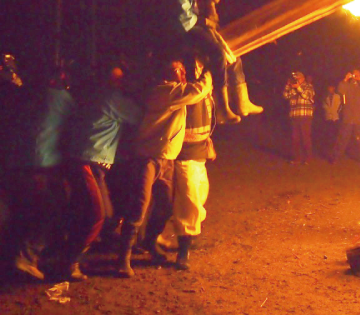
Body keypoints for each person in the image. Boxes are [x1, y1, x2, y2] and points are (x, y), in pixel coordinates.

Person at [148, 0, 261, 125]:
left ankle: (241, 100)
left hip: (196, 23)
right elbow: (183, 13)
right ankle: (223, 105)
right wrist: (204, 21)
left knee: (229, 49)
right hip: (185, 30)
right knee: (217, 52)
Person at [117, 60, 212, 278]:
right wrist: (211, 68)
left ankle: (149, 242)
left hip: (166, 159)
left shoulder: (172, 92)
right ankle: (123, 258)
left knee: (166, 206)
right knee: (139, 208)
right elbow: (200, 89)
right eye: (179, 70)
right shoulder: (165, 92)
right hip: (149, 158)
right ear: (168, 74)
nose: (183, 72)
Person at [62, 64, 142, 280]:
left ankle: (70, 255)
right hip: (87, 160)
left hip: (89, 161)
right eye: (118, 79)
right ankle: (69, 263)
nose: (121, 83)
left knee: (102, 214)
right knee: (96, 215)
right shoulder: (111, 98)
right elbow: (137, 116)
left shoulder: (93, 95)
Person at [1, 64, 75, 281]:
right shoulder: (62, 98)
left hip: (14, 162)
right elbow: (76, 125)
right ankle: (26, 257)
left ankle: (14, 259)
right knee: (47, 211)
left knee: (20, 212)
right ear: (58, 77)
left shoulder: (22, 96)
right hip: (41, 163)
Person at [171, 60, 216, 270]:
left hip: (199, 153)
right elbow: (200, 89)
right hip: (183, 154)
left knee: (200, 194)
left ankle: (181, 237)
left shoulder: (203, 89)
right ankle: (183, 250)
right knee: (190, 200)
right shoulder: (179, 91)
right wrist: (212, 67)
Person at [331, 69, 360, 163]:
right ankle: (335, 157)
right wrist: (345, 79)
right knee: (342, 138)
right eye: (354, 74)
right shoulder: (347, 85)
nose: (355, 76)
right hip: (348, 117)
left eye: (357, 74)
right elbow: (340, 90)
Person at [282, 71, 315, 164]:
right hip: (294, 115)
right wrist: (288, 85)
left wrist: (298, 88)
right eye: (295, 78)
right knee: (295, 138)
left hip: (305, 115)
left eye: (298, 78)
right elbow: (285, 96)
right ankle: (296, 158)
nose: (296, 80)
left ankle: (308, 158)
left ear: (302, 78)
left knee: (305, 137)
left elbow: (307, 96)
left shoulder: (308, 86)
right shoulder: (293, 87)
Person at [321, 84, 341, 153]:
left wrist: (335, 112)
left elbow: (339, 106)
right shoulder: (325, 97)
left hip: (335, 117)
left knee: (335, 135)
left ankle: (335, 149)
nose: (330, 89)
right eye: (329, 87)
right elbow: (324, 105)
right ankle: (328, 150)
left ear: (334, 88)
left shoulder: (337, 96)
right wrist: (328, 111)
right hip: (328, 118)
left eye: (331, 87)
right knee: (328, 134)